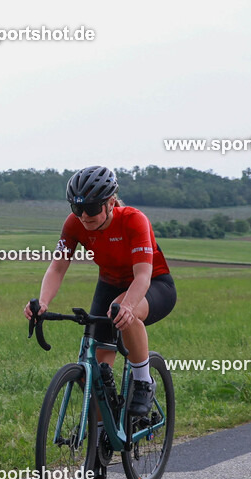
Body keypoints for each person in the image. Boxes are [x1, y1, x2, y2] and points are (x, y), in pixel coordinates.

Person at [23, 165, 176, 415]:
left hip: (154, 285)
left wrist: (127, 307)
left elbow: (143, 276)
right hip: (110, 285)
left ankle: (143, 381)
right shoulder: (75, 224)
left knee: (125, 314)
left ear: (110, 202)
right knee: (93, 375)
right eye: (76, 208)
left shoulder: (133, 220)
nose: (84, 215)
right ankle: (103, 433)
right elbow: (58, 268)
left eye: (92, 208)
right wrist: (43, 302)